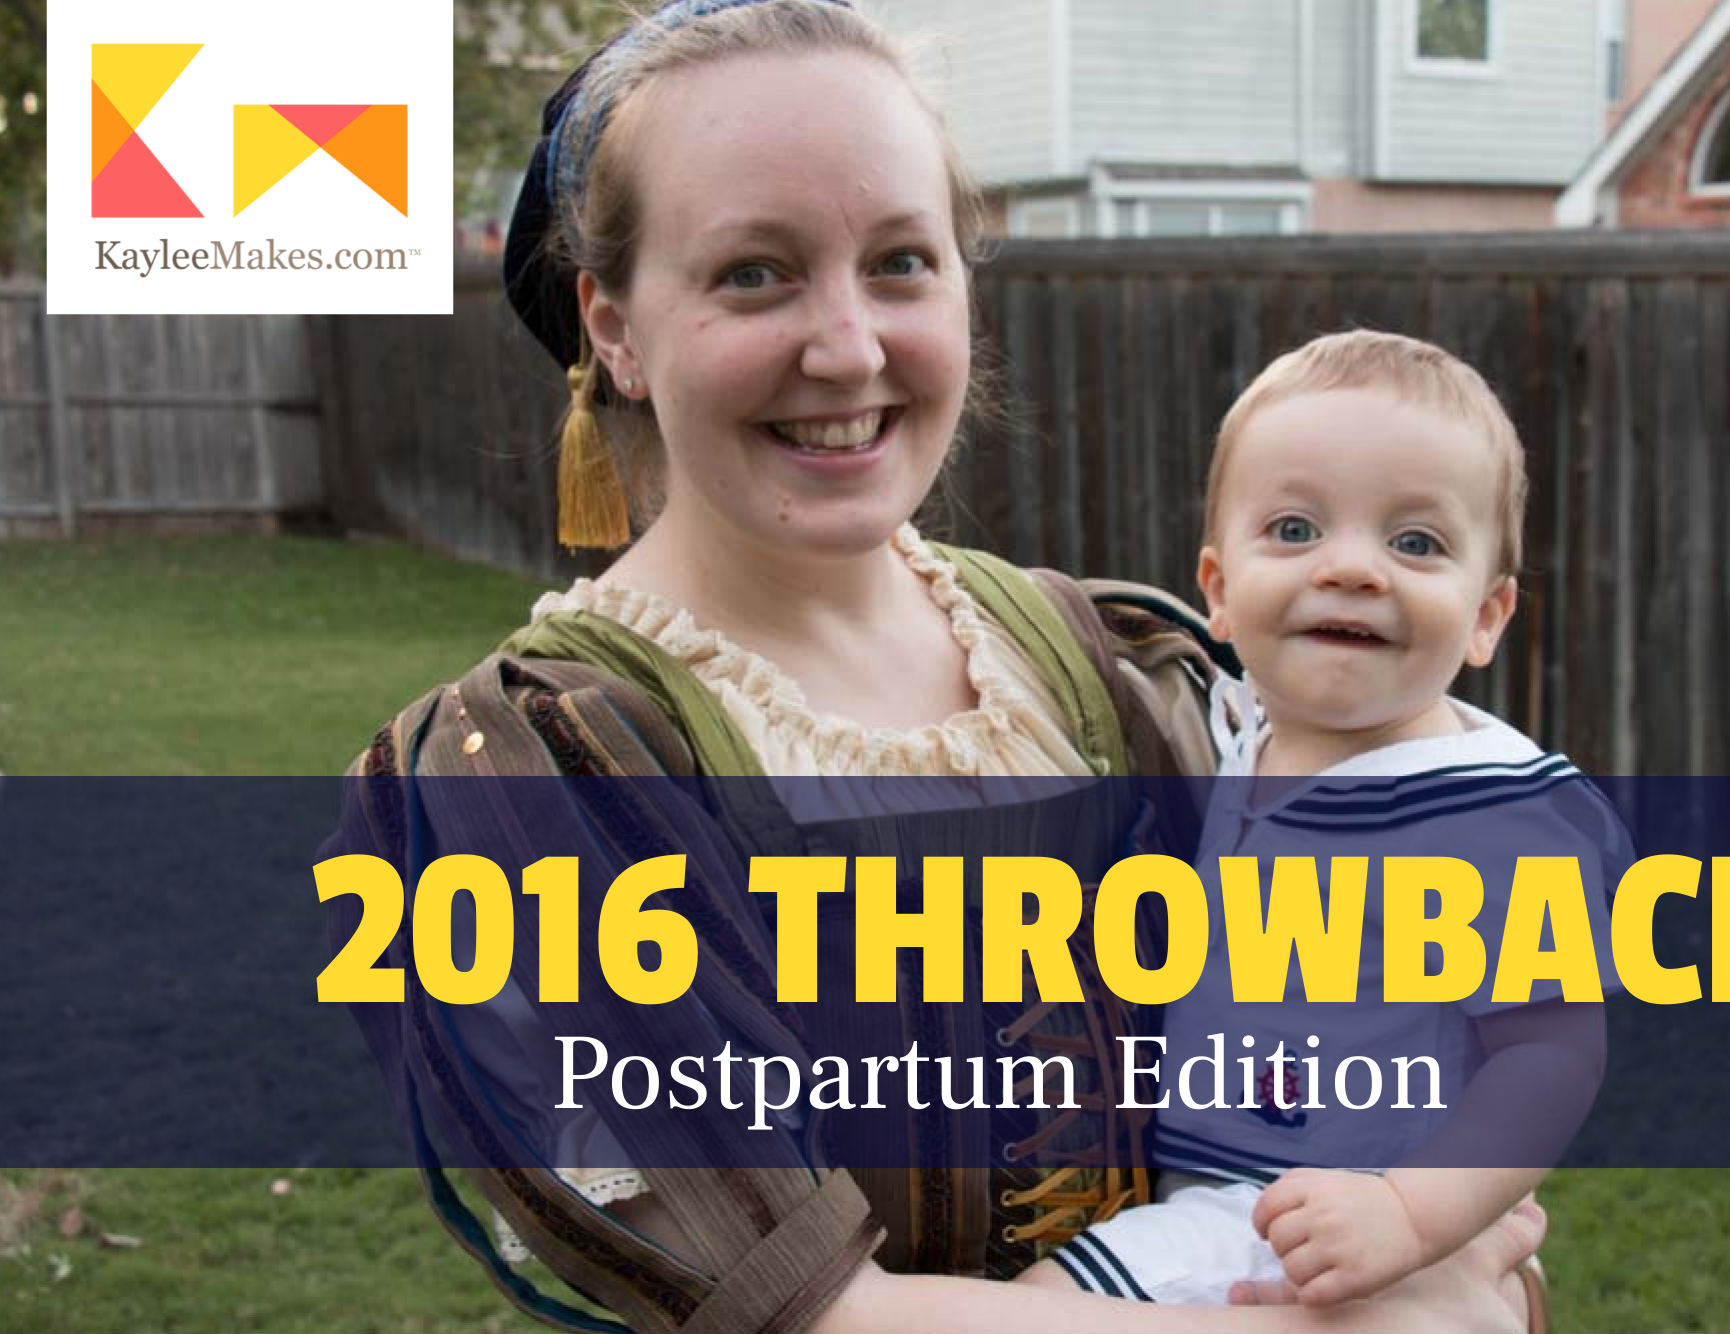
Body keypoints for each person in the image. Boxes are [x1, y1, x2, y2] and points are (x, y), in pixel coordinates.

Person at [331, 4, 1550, 1333]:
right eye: (755, 271)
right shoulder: (528, 779)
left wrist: (1441, 1230)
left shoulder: (1123, 670)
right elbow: (817, 1315)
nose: (848, 346)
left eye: (902, 261)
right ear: (612, 325)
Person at [1025, 332, 1622, 1321]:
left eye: (1415, 542)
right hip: (1224, 1178)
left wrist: (1409, 1212)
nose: (1350, 568)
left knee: (1048, 1305)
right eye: (1295, 528)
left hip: (1320, 1201)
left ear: (1487, 613)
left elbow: (1552, 1052)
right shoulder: (1236, 736)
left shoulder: (1487, 808)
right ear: (1215, 589)